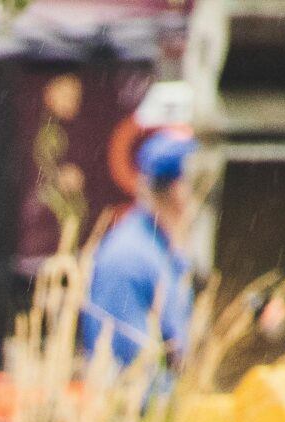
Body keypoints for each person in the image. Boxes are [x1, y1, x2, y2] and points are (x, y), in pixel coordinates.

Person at [80, 129, 199, 366]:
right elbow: (131, 368)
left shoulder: (161, 247)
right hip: (139, 401)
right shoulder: (129, 257)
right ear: (178, 190)